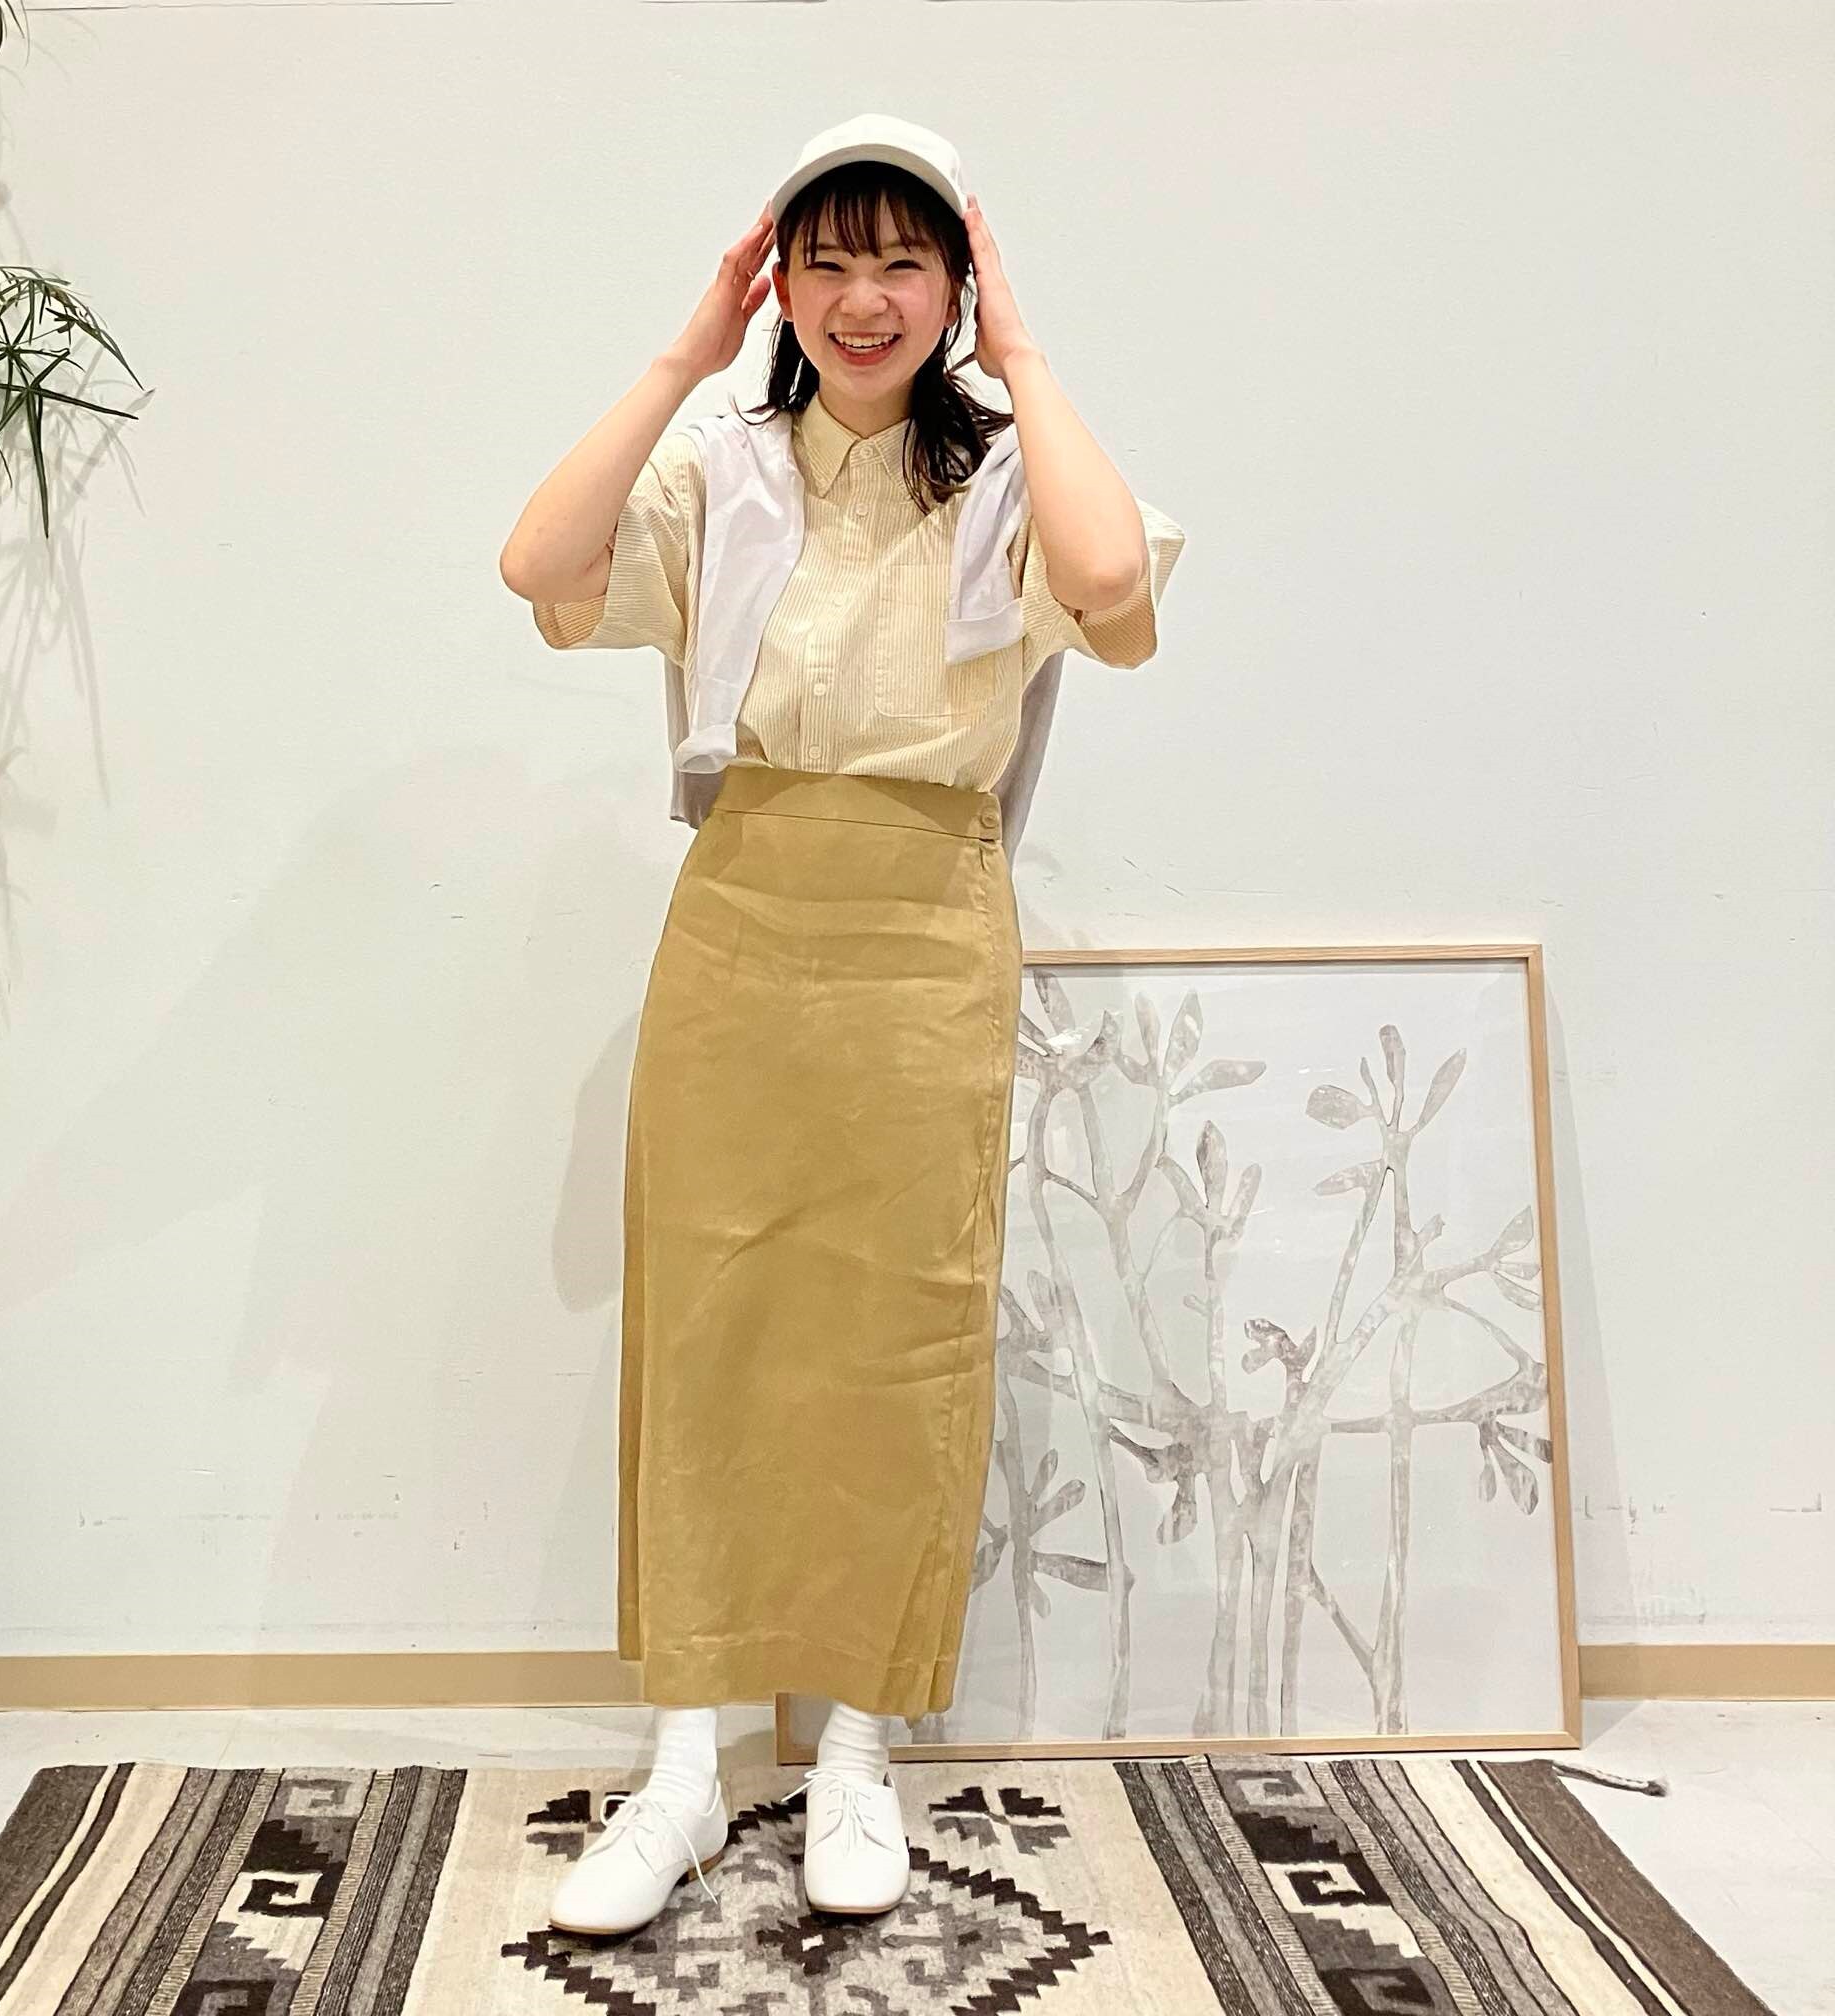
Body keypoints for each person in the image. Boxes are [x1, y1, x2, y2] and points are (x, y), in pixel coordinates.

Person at [498, 113, 1184, 1937]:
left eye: (903, 261)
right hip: (739, 922)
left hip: (930, 935)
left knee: (901, 1336)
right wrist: (683, 354)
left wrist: (1024, 354)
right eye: (828, 261)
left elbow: (1113, 583)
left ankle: (860, 1752)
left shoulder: (1011, 478)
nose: (863, 298)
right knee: (706, 1327)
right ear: (780, 284)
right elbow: (535, 563)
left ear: (954, 283)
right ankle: (684, 1765)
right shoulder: (720, 469)